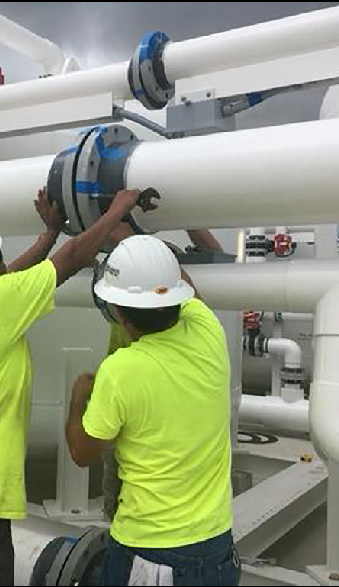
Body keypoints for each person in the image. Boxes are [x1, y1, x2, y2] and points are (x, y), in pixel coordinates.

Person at [0, 188, 149, 585]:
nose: (2, 264)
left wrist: (49, 233)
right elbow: (70, 261)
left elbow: (9, 277)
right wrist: (116, 211)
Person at [66, 234, 239, 586]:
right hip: (216, 544)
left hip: (149, 554)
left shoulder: (122, 369)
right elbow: (182, 284)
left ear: (117, 314)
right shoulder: (209, 333)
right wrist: (138, 240)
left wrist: (77, 401)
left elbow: (81, 453)